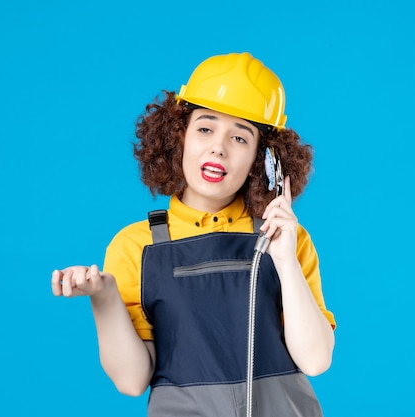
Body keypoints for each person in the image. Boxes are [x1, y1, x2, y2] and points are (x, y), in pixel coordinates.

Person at [51, 52, 336, 417]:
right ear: (177, 137)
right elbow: (132, 381)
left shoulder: (283, 239)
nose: (219, 146)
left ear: (263, 161)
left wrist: (283, 259)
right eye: (205, 128)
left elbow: (315, 360)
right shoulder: (135, 246)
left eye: (240, 137)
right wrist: (104, 297)